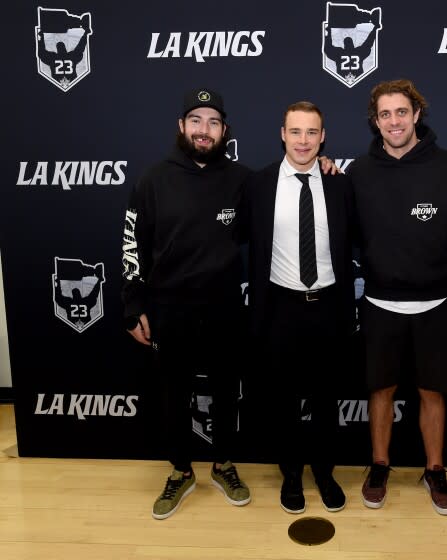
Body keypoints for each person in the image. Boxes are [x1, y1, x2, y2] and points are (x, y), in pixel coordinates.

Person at [121, 88, 251, 520]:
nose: (204, 130)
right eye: (196, 120)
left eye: (213, 122)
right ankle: (180, 470)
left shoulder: (241, 179)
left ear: (224, 131)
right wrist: (132, 304)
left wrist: (325, 168)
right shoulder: (153, 179)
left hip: (224, 308)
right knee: (173, 393)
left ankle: (223, 464)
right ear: (181, 126)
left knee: (225, 392)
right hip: (169, 309)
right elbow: (132, 246)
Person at [346, 79, 447, 516]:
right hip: (380, 303)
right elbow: (349, 235)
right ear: (374, 121)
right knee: (380, 390)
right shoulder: (358, 173)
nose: (394, 121)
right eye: (385, 114)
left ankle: (435, 469)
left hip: (436, 304)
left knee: (433, 392)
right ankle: (379, 464)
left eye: (402, 112)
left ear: (417, 114)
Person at [241, 101, 355, 514]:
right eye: (296, 132)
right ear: (282, 134)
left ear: (322, 137)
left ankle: (324, 472)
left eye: (312, 133)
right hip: (280, 307)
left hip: (328, 307)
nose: (303, 141)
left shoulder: (340, 184)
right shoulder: (258, 185)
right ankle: (291, 475)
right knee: (283, 398)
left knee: (327, 397)